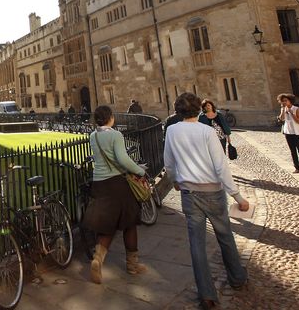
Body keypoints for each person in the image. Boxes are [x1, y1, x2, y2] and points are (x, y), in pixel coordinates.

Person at [164, 92, 249, 308]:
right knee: (225, 235)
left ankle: (207, 294)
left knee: (196, 244)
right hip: (213, 192)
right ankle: (237, 277)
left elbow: (169, 162)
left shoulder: (172, 131)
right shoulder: (207, 131)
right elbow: (221, 166)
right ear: (199, 110)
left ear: (177, 110)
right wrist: (237, 195)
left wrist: (175, 181)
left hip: (189, 193)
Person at [82, 105, 148, 284]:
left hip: (99, 183)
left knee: (108, 225)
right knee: (129, 222)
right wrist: (139, 171)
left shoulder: (93, 136)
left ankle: (98, 259)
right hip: (116, 183)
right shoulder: (115, 135)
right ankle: (132, 265)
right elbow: (123, 158)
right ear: (110, 118)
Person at [278, 93, 299, 173]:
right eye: (283, 101)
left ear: (290, 101)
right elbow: (281, 119)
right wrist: (282, 111)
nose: (284, 102)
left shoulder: (296, 109)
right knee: (292, 151)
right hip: (288, 132)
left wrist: (292, 113)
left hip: (297, 132)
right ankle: (297, 168)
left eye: (286, 101)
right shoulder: (284, 109)